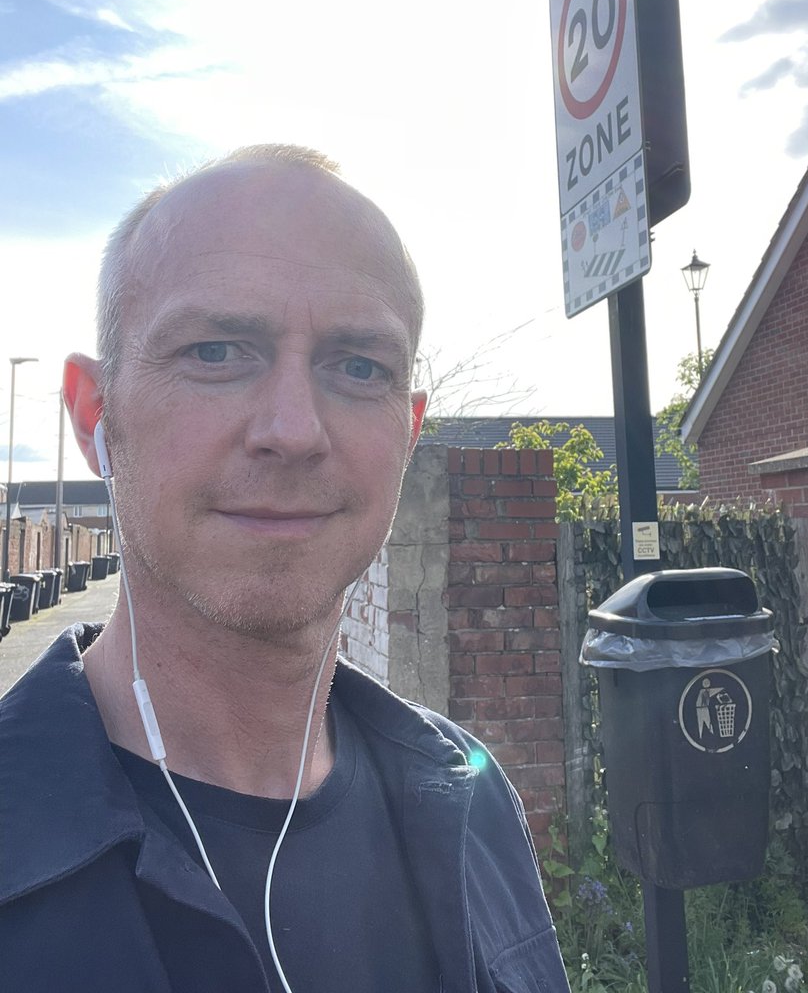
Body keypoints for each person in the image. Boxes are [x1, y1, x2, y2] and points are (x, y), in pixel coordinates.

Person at [0, 145, 570, 993]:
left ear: (408, 432)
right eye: (217, 351)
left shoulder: (474, 804)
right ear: (95, 414)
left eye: (358, 367)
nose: (294, 429)